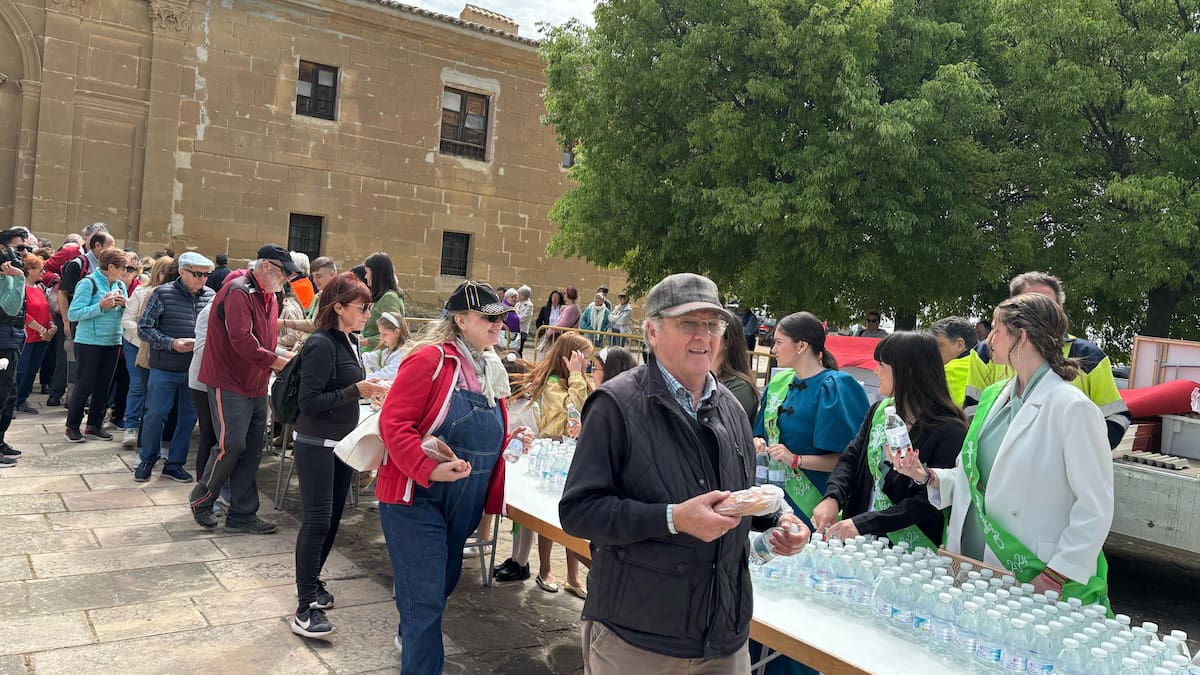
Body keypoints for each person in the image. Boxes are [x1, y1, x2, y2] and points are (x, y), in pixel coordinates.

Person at [559, 272, 809, 673]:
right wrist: (673, 518)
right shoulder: (615, 405)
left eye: (713, 324)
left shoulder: (732, 408)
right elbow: (579, 512)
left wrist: (778, 518)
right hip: (637, 638)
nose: (703, 336)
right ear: (652, 332)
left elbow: (734, 496)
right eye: (688, 322)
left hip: (723, 637)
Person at [892, 293, 1114, 605]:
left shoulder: (1072, 407)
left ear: (1021, 337)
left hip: (1031, 573)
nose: (988, 339)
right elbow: (976, 480)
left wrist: (1057, 574)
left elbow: (1096, 505)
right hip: (969, 564)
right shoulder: (993, 396)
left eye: (997, 330)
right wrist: (926, 475)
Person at [376, 280, 531, 673]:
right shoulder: (430, 359)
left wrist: (511, 438)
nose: (498, 326)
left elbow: (479, 433)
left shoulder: (490, 367)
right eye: (488, 318)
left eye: (501, 319)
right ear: (460, 320)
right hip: (416, 496)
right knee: (426, 597)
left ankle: (410, 632)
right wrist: (429, 467)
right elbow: (393, 424)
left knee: (439, 586)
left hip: (465, 499)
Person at [289, 273, 391, 639]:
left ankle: (313, 582)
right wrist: (356, 390)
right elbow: (309, 402)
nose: (368, 313)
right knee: (317, 520)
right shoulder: (321, 343)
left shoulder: (351, 340)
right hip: (316, 443)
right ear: (338, 307)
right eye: (362, 307)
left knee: (332, 519)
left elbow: (344, 387)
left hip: (340, 443)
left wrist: (367, 390)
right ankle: (304, 608)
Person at [812, 332, 968, 549]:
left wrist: (865, 523)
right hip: (859, 538)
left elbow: (927, 501)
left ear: (907, 371)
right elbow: (851, 459)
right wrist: (833, 497)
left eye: (881, 365)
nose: (875, 371)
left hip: (909, 549)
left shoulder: (949, 429)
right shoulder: (879, 411)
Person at [188, 245, 297, 534]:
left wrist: (283, 358)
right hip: (229, 381)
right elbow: (242, 340)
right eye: (285, 273)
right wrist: (278, 362)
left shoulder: (269, 296)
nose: (287, 279)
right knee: (232, 443)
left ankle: (243, 514)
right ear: (267, 266)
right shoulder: (239, 291)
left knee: (251, 450)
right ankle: (202, 497)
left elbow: (265, 340)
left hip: (256, 382)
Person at [964, 271, 1131, 447]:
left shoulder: (1089, 356)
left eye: (1047, 306)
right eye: (1030, 306)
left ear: (1060, 310)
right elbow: (973, 413)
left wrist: (1079, 450)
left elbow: (1116, 417)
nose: (1040, 313)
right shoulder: (985, 353)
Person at [754, 311, 870, 527]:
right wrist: (758, 442)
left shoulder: (837, 386)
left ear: (801, 345)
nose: (773, 349)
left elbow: (850, 459)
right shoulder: (778, 383)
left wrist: (796, 460)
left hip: (817, 503)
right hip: (774, 500)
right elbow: (760, 433)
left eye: (778, 342)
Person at [510, 333, 594, 598]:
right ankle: (545, 568)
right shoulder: (553, 383)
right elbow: (571, 410)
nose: (588, 364)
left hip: (574, 452)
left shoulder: (579, 380)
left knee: (573, 514)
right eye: (584, 358)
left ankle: (573, 575)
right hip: (552, 453)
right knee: (550, 514)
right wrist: (577, 375)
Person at [133, 252, 216, 482]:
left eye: (206, 275)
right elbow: (144, 328)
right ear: (182, 272)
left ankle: (175, 464)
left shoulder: (211, 296)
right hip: (165, 367)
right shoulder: (162, 293)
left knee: (188, 418)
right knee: (155, 414)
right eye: (197, 274)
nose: (202, 279)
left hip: (195, 369)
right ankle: (147, 459)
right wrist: (171, 343)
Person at [64, 247, 128, 442]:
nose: (124, 271)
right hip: (89, 342)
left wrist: (124, 305)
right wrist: (100, 306)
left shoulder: (120, 285)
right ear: (111, 267)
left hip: (113, 340)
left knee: (104, 385)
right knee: (84, 384)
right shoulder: (88, 283)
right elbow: (73, 313)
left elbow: (125, 314)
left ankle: (94, 425)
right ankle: (72, 426)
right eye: (122, 267)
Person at [53, 228, 115, 406]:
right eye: (110, 245)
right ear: (98, 245)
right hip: (77, 320)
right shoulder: (79, 264)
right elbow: (62, 293)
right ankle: (64, 397)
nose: (113, 249)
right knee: (71, 361)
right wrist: (66, 322)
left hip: (96, 323)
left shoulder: (105, 268)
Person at [121, 256, 176, 447]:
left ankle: (151, 432)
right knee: (138, 386)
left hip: (160, 348)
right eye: (164, 272)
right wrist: (147, 336)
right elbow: (127, 320)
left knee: (155, 390)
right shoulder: (141, 292)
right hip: (136, 344)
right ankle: (131, 426)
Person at [0, 229, 34, 465]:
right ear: (3, 248)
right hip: (3, 342)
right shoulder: (7, 276)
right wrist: (19, 277)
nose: (24, 252)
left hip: (12, 340)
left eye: (27, 248)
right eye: (19, 247)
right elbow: (10, 308)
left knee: (9, 396)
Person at [15, 254, 55, 415]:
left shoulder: (39, 288)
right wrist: (41, 329)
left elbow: (46, 310)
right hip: (28, 337)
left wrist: (52, 326)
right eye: (41, 269)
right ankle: (11, 402)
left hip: (41, 337)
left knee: (32, 371)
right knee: (21, 370)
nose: (43, 272)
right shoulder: (21, 288)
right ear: (29, 270)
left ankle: (21, 400)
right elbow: (23, 313)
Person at [713, 317, 759, 421]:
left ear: (728, 341)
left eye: (714, 329)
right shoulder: (696, 378)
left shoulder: (740, 388)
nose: (704, 337)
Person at [928, 316, 977, 408]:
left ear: (959, 344)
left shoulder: (947, 372)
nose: (932, 352)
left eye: (937, 346)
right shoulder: (989, 365)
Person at [360, 252, 405, 351]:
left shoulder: (389, 298)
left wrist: (364, 342)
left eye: (367, 272)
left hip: (379, 354)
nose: (365, 276)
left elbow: (393, 333)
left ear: (376, 274)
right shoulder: (380, 297)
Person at [362, 312, 408, 380]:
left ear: (397, 332)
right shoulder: (386, 350)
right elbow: (368, 358)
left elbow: (386, 375)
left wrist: (359, 378)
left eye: (385, 334)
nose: (381, 337)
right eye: (380, 333)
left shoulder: (403, 353)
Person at [515, 285, 535, 352]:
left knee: (519, 350)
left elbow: (524, 317)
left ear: (523, 296)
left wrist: (514, 319)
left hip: (522, 330)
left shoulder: (529, 305)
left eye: (519, 294)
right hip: (515, 329)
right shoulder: (517, 304)